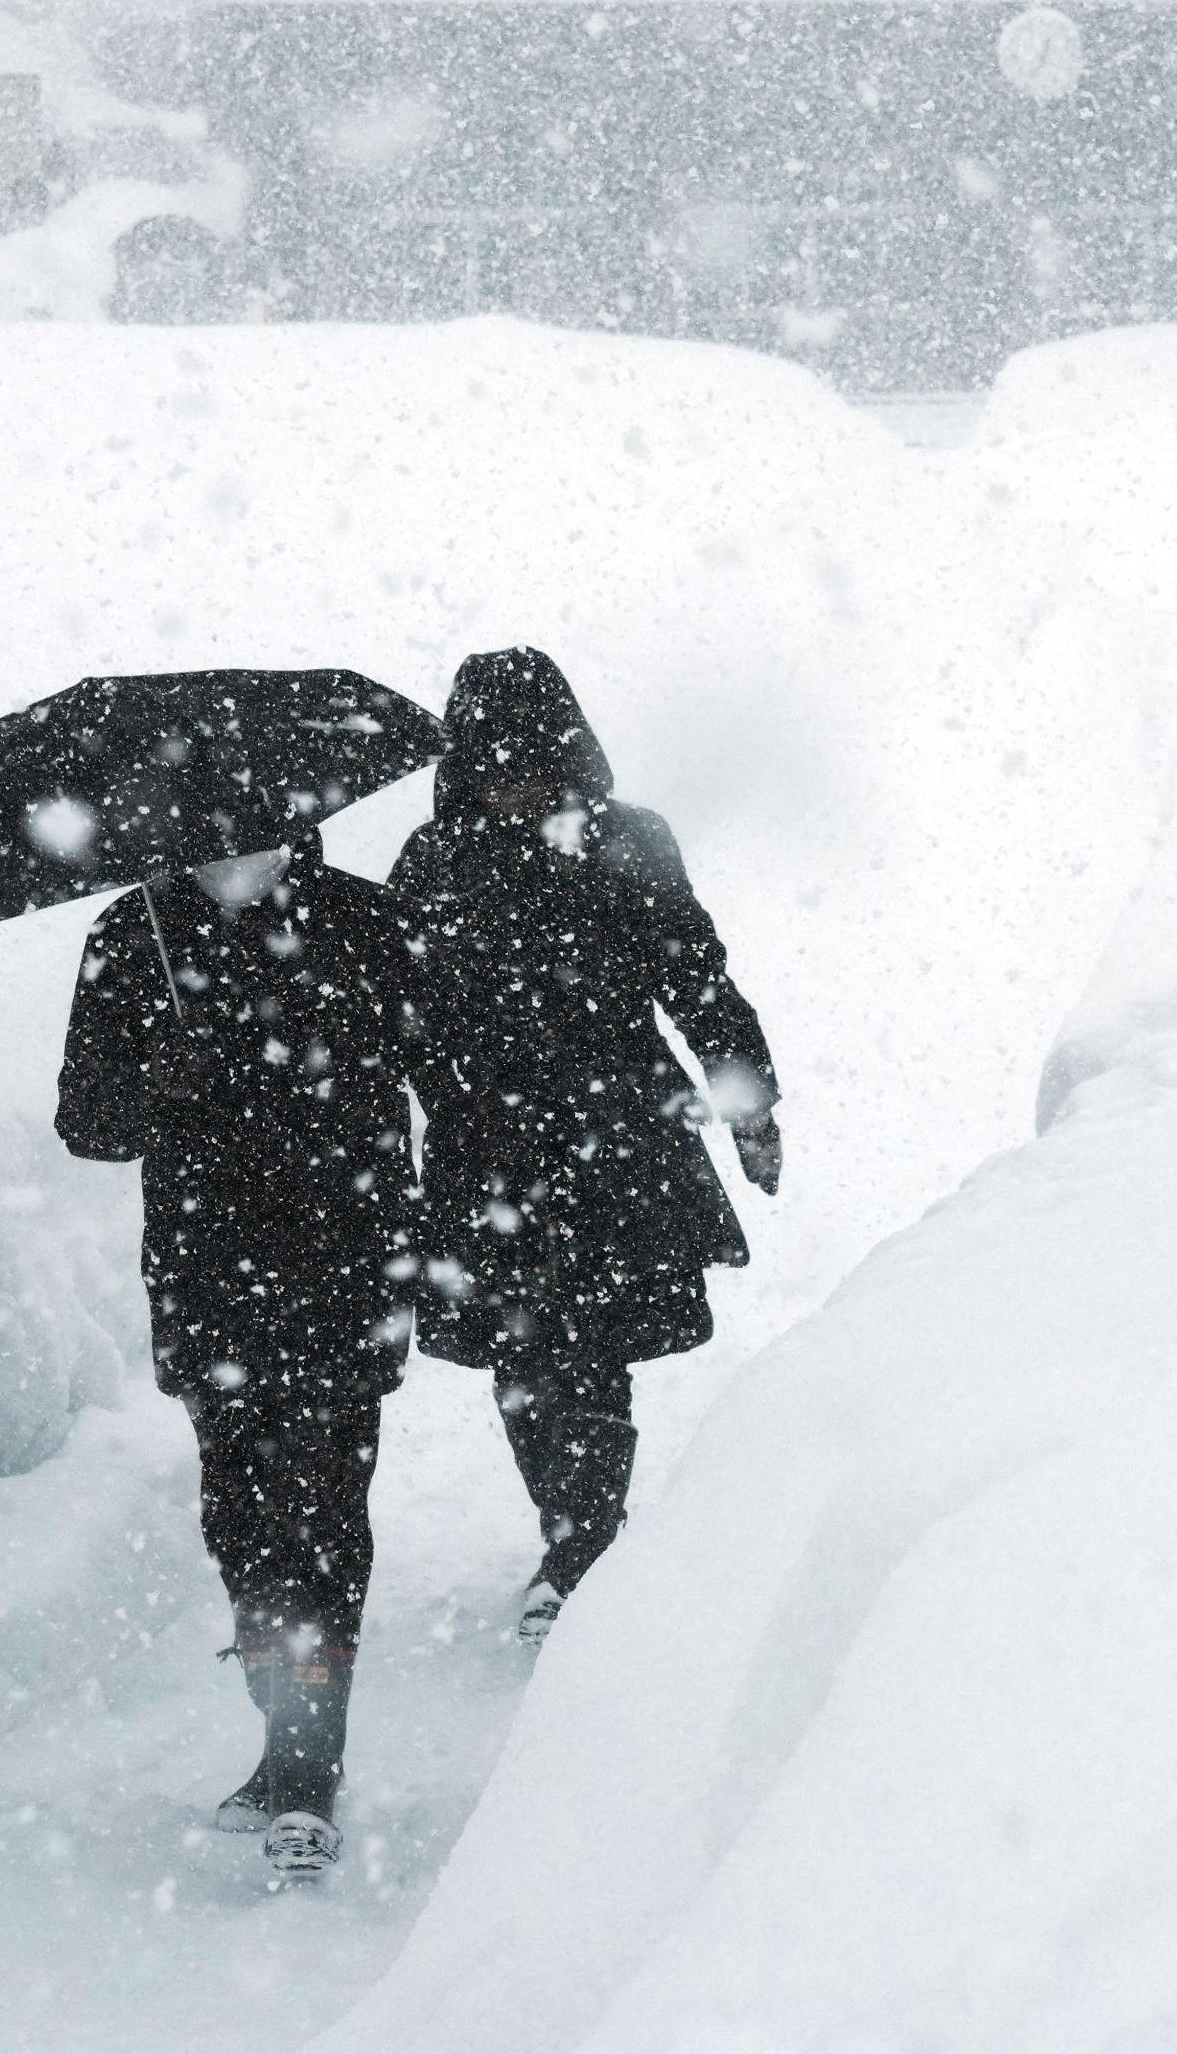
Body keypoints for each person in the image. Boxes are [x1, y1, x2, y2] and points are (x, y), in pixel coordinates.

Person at [54, 823, 433, 1889]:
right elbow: (85, 1119)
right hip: (206, 1271)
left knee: (320, 1508)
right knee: (239, 1514)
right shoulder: (135, 933)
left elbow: (447, 1068)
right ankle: (282, 1734)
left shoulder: (364, 919)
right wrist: (156, 1083)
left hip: (344, 1262)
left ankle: (308, 1770)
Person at [390, 647, 782, 1642]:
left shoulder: (625, 841)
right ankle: (569, 1536)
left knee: (590, 1345)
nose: (508, 777)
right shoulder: (432, 859)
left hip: (616, 1135)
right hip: (486, 1143)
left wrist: (749, 1104)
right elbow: (396, 1011)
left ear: (564, 750)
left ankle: (582, 1548)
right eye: (487, 757)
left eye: (527, 755)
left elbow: (695, 977)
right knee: (520, 1358)